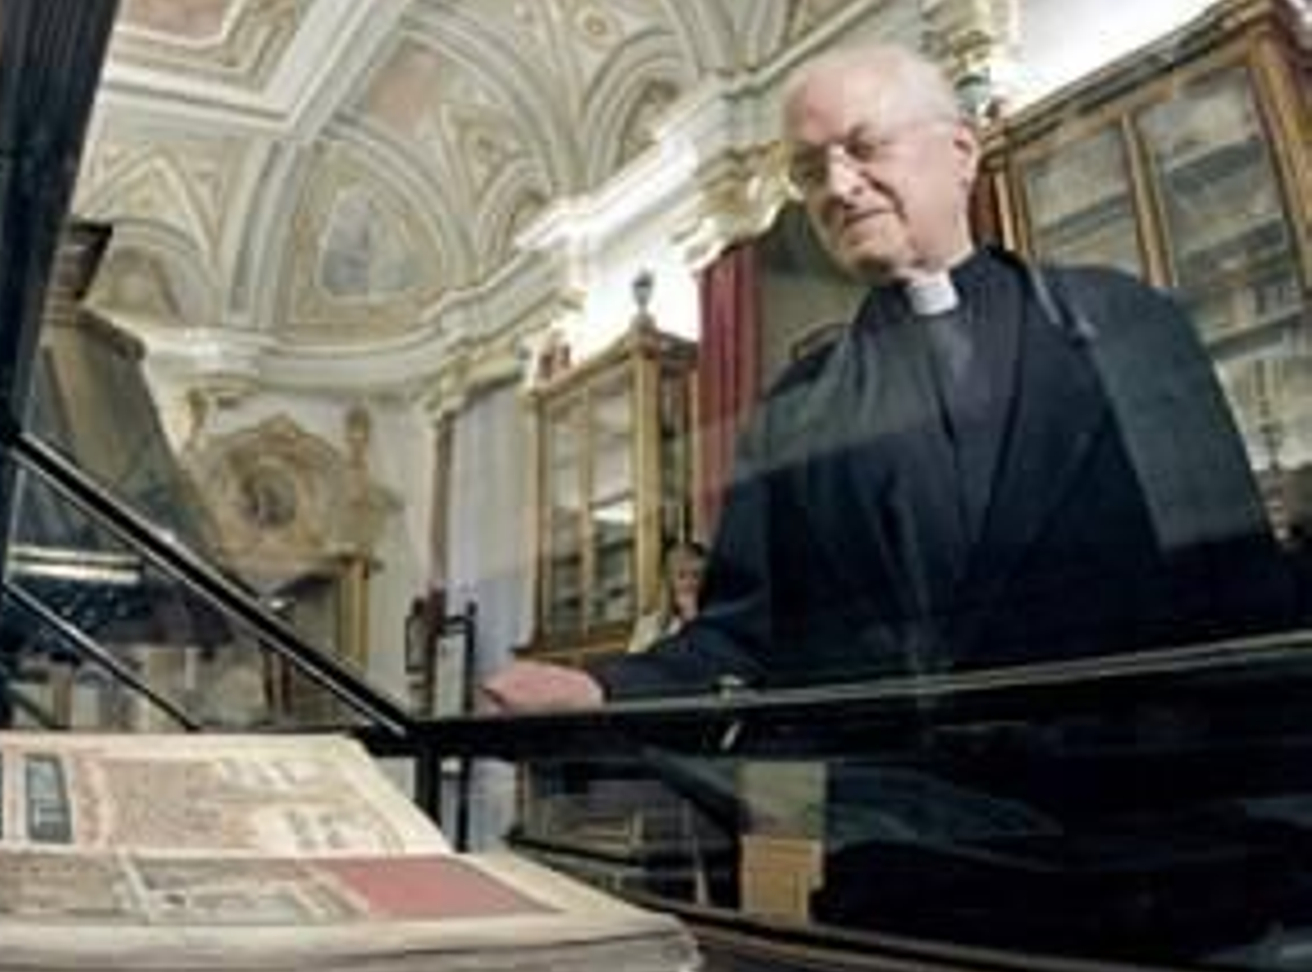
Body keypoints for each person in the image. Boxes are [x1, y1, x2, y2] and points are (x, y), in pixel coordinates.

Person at [484, 43, 1293, 711]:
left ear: (962, 151)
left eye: (866, 147)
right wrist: (603, 686)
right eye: (810, 170)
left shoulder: (1123, 322)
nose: (837, 188)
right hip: (909, 824)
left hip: (1142, 819)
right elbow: (743, 635)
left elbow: (1238, 591)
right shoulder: (796, 410)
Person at [627, 540, 708, 652]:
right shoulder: (648, 625)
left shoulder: (713, 622)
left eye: (696, 575)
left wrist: (692, 618)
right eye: (681, 576)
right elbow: (635, 659)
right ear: (670, 581)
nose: (689, 583)